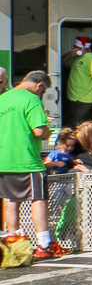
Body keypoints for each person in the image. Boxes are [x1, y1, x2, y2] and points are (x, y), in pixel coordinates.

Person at [0, 71, 60, 259]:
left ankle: (14, 242)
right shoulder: (32, 99)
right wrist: (48, 130)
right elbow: (39, 130)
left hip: (4, 159)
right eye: (43, 91)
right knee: (38, 200)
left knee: (10, 201)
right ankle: (43, 244)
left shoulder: (3, 98)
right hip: (27, 160)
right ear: (39, 86)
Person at [63, 36, 92, 128]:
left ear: (83, 48)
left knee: (77, 123)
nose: (74, 48)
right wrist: (70, 54)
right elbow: (64, 62)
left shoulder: (91, 58)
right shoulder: (75, 57)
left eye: (76, 47)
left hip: (85, 98)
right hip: (72, 96)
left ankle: (77, 142)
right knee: (70, 121)